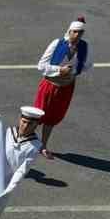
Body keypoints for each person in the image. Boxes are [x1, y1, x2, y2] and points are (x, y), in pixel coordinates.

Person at [34, 16, 90, 158]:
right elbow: (41, 65)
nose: (77, 35)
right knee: (37, 115)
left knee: (52, 118)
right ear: (69, 31)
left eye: (80, 33)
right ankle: (24, 142)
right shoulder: (57, 44)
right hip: (50, 86)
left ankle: (43, 146)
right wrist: (59, 70)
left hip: (66, 88)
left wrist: (75, 70)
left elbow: (88, 64)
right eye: (75, 32)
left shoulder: (84, 46)